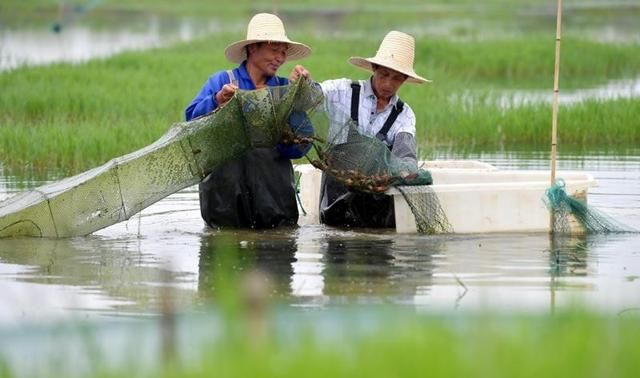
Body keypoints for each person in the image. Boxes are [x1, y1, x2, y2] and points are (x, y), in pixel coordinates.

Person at [185, 13, 313, 229]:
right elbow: (191, 120)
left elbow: (304, 143)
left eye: (283, 52)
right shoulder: (223, 81)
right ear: (253, 47)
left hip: (275, 205)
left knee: (276, 256)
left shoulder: (284, 90)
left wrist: (296, 100)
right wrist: (217, 100)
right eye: (274, 50)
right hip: (224, 204)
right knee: (224, 253)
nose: (280, 58)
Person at [319, 31, 430, 228]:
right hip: (335, 199)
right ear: (374, 68)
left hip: (375, 202)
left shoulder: (404, 114)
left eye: (396, 78)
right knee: (335, 244)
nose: (388, 84)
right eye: (384, 74)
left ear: (404, 79)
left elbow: (405, 152)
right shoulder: (342, 91)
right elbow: (312, 94)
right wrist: (303, 82)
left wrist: (406, 170)